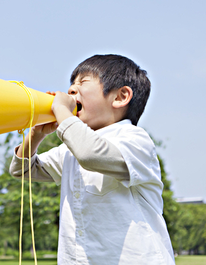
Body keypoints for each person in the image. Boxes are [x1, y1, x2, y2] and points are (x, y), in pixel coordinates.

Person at [10, 55, 175, 264]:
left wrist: (61, 110)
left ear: (120, 97)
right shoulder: (70, 149)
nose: (71, 90)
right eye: (71, 83)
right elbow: (22, 170)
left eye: (83, 82)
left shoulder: (134, 140)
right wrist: (36, 136)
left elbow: (90, 154)